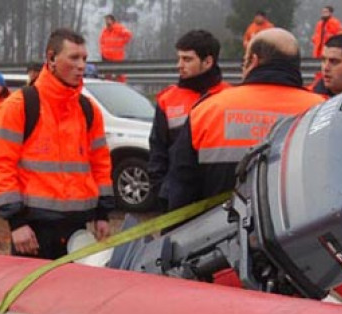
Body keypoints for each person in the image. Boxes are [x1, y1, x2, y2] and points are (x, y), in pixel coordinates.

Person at [0, 28, 114, 259]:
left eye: (84, 58)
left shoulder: (88, 110)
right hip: (34, 231)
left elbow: (100, 163)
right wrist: (16, 223)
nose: (81, 65)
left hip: (78, 230)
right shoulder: (19, 106)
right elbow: (1, 166)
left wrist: (102, 214)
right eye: (74, 57)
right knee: (33, 295)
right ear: (51, 58)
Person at [167, 28, 325, 211]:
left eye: (244, 61)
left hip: (219, 235)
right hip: (297, 233)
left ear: (253, 61)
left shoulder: (207, 110)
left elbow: (181, 190)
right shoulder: (321, 111)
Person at [148, 30, 230, 210]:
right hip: (177, 201)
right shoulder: (168, 100)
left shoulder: (230, 98)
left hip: (219, 198)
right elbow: (157, 152)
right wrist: (162, 193)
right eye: (179, 58)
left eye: (187, 59)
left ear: (208, 62)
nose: (179, 65)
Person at [99, 14, 132, 82]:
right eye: (106, 20)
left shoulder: (119, 28)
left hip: (117, 57)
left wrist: (122, 42)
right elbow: (102, 42)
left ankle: (121, 87)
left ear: (112, 20)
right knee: (107, 76)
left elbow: (128, 35)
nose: (107, 22)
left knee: (119, 75)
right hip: (106, 57)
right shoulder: (105, 31)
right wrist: (103, 53)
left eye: (108, 19)